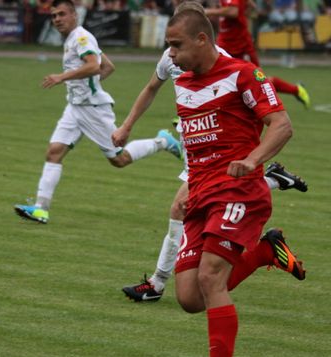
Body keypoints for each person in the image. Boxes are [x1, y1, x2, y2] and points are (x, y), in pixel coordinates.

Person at [117, 0, 308, 303]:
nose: (173, 50)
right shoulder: (171, 56)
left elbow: (257, 119)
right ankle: (271, 189)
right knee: (180, 213)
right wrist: (126, 126)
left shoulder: (225, 64)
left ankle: (157, 284)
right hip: (194, 143)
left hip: (216, 151)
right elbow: (152, 87)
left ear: (200, 33)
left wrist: (250, 157)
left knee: (180, 209)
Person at [165, 9, 305, 357]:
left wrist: (253, 160)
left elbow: (282, 124)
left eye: (175, 45)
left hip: (238, 191)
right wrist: (186, 188)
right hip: (200, 194)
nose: (170, 54)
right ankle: (264, 252)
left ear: (202, 39)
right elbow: (198, 149)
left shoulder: (243, 74)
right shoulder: (182, 85)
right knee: (188, 298)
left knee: (211, 279)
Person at [14, 0, 181, 224]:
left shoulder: (81, 37)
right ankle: (41, 209)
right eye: (54, 16)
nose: (57, 19)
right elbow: (107, 66)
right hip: (75, 107)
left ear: (74, 15)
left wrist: (62, 77)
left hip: (93, 109)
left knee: (119, 159)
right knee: (54, 151)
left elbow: (93, 65)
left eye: (62, 14)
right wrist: (86, 84)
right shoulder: (75, 39)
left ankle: (163, 142)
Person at [204, 0, 312, 109]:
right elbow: (250, 6)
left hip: (241, 46)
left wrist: (208, 11)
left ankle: (296, 91)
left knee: (259, 80)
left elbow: (233, 11)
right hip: (226, 44)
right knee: (218, 75)